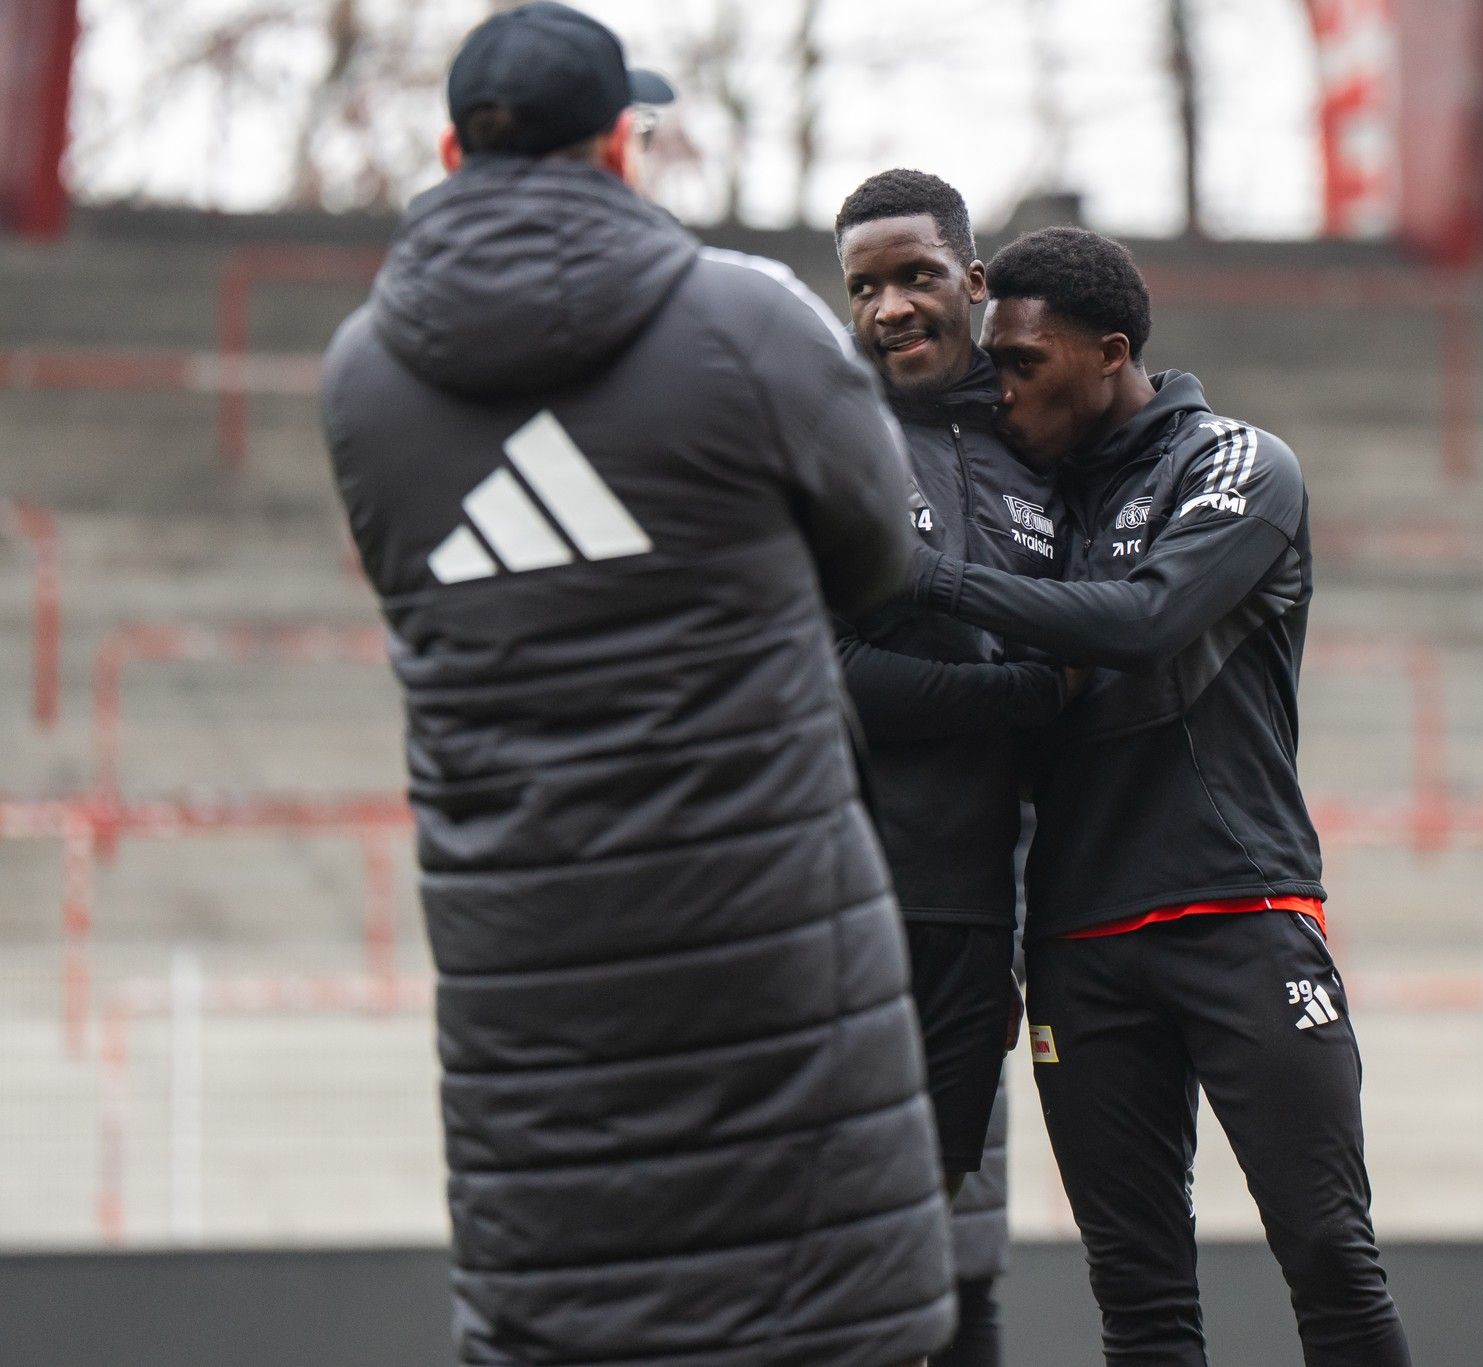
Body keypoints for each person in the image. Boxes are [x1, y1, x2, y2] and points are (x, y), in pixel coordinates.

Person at [319, 6, 953, 1364]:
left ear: (447, 147)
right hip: (772, 971)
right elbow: (883, 556)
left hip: (527, 989)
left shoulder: (360, 376)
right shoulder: (741, 317)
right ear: (621, 148)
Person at [903, 227, 1412, 1367]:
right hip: (1077, 943)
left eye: (1025, 362)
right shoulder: (1021, 499)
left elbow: (1144, 622)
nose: (1003, 387)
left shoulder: (1238, 462)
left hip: (1237, 913)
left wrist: (929, 572)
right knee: (1137, 1301)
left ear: (1110, 352)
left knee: (1329, 1254)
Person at [833, 168, 1063, 1366]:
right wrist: (1020, 696)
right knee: (860, 1249)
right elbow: (827, 671)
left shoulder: (1051, 446)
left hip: (1005, 902)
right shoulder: (835, 442)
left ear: (971, 281)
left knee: (960, 1248)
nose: (889, 309)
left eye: (915, 276)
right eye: (864, 287)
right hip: (860, 901)